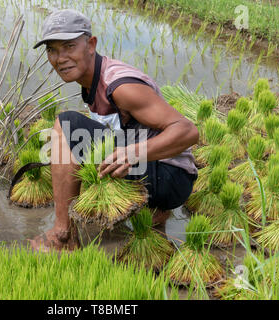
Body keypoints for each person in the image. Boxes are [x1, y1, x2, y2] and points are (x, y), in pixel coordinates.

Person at [28, 9, 199, 252]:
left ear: (91, 44)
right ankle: (153, 218)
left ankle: (62, 235)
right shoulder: (92, 79)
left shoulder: (120, 86)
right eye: (52, 50)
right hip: (160, 170)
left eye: (68, 46)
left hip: (171, 176)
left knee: (66, 125)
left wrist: (132, 154)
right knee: (81, 151)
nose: (60, 58)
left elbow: (188, 131)